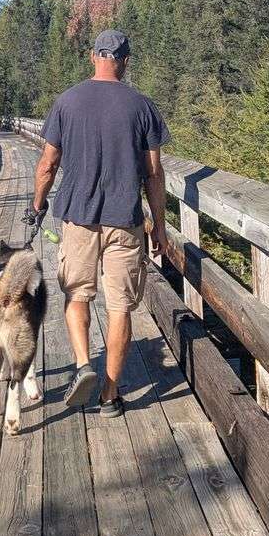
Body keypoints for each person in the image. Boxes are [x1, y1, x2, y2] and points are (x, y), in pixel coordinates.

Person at [26, 29, 169, 415]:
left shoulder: (67, 102)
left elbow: (47, 165)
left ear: (94, 56)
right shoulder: (142, 106)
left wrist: (37, 207)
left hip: (78, 218)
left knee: (77, 296)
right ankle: (110, 395)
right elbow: (154, 174)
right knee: (120, 307)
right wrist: (161, 226)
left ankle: (83, 365)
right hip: (125, 219)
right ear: (125, 61)